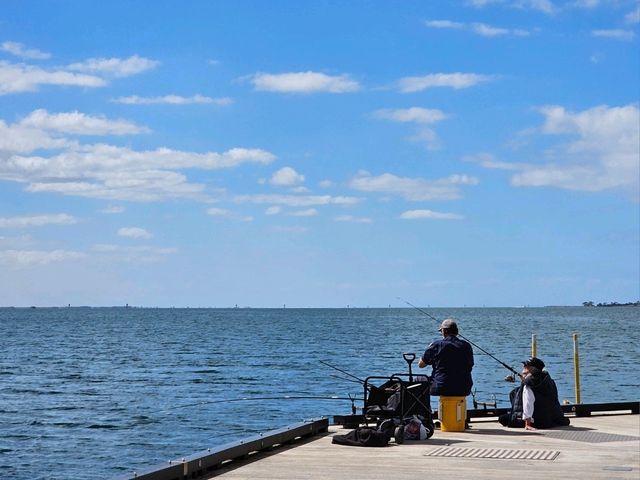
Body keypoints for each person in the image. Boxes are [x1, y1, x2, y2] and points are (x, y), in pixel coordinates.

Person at [498, 357, 570, 430]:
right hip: (550, 419)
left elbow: (528, 404)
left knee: (502, 418)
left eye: (526, 367)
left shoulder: (529, 384)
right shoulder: (549, 381)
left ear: (531, 369)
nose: (523, 368)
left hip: (537, 421)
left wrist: (527, 424)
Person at [418, 319, 474, 396]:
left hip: (441, 387)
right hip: (465, 388)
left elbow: (421, 365)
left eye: (441, 331)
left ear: (444, 331)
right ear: (457, 332)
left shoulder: (437, 345)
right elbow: (470, 365)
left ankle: (423, 407)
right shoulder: (467, 346)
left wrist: (429, 348)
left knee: (419, 379)